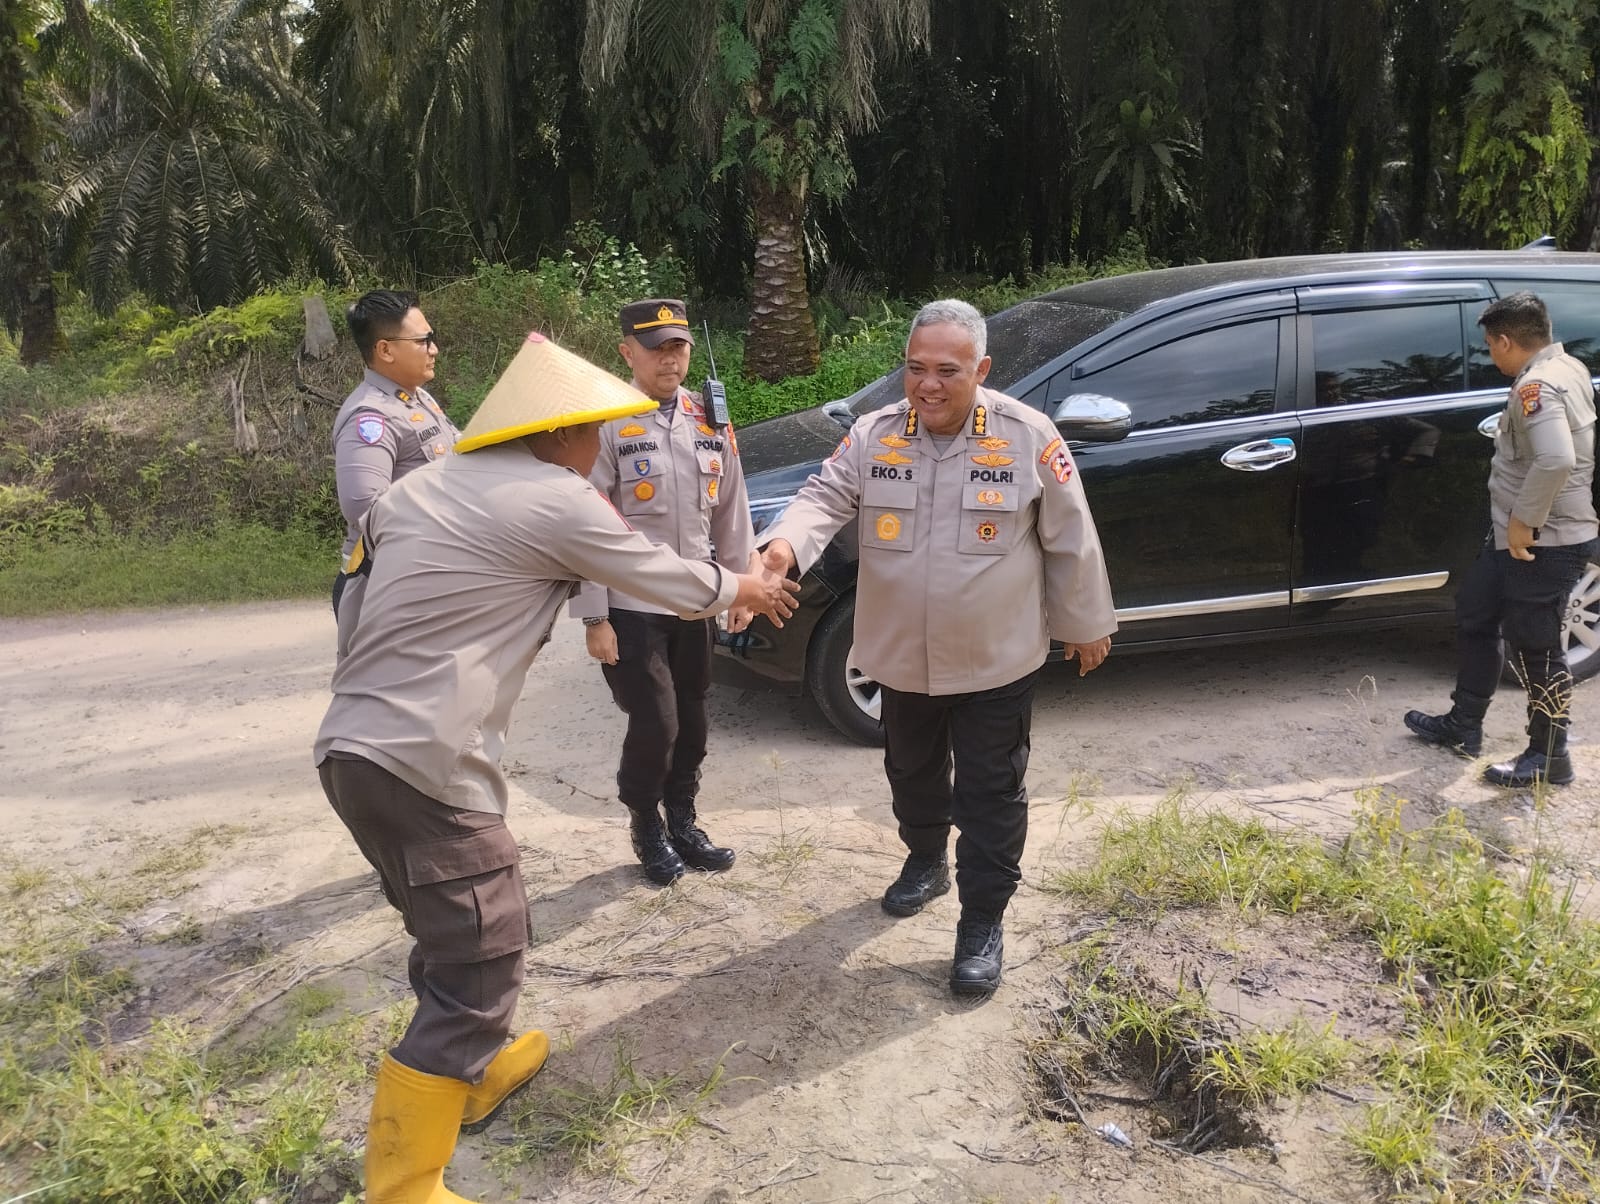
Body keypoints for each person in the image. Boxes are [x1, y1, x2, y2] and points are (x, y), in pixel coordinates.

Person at [314, 331, 798, 1204]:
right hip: (426, 763)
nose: (598, 450)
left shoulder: (422, 487)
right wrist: (746, 590)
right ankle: (403, 1186)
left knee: (448, 927)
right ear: (558, 434)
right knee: (483, 950)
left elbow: (350, 598)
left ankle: (475, 1068)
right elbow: (654, 572)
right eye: (593, 434)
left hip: (351, 748)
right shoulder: (551, 497)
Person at [759, 299, 1117, 997]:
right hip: (898, 656)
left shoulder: (1025, 435)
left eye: (947, 371)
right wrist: (780, 550)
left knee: (990, 793)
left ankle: (982, 920)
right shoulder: (874, 434)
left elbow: (1072, 537)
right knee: (912, 774)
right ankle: (926, 859)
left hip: (996, 658)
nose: (926, 385)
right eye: (915, 368)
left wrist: (1085, 621)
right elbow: (823, 497)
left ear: (980, 370)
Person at [570, 299, 760, 885]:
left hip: (696, 601)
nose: (669, 360)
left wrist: (739, 591)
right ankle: (645, 823)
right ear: (628, 353)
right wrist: (593, 615)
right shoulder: (605, 424)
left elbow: (732, 513)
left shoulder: (710, 420)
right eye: (656, 349)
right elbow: (582, 522)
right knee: (656, 720)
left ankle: (683, 818)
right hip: (631, 606)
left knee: (695, 718)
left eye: (677, 347)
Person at [1405, 291, 1598, 787]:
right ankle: (1463, 725)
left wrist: (1522, 521)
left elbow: (1556, 459)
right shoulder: (1569, 366)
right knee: (1476, 612)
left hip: (1542, 539)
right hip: (1515, 536)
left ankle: (1550, 756)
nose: (1491, 355)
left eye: (1491, 346)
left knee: (1537, 646)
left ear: (1507, 341)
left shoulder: (1538, 387)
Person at [330, 289, 460, 617]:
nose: (434, 349)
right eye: (423, 341)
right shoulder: (371, 417)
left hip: (425, 576)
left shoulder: (419, 400)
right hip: (388, 587)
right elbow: (365, 507)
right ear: (385, 350)